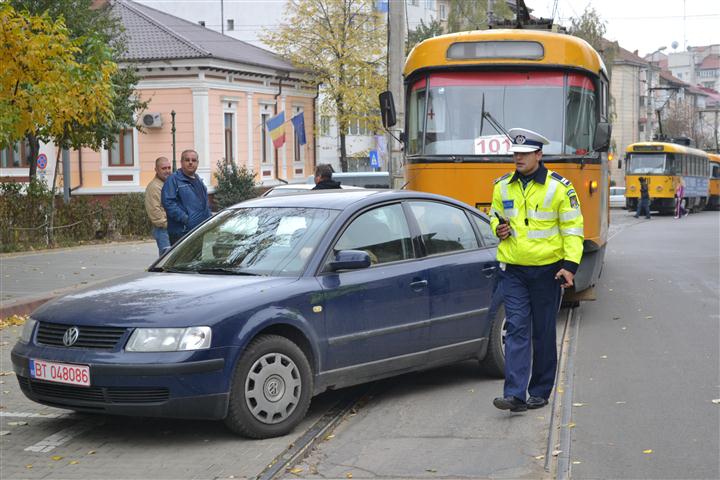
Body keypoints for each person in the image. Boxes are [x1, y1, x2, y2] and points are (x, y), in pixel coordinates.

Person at [489, 128, 584, 413]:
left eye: (524, 154)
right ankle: (515, 395)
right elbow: (493, 217)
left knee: (542, 332)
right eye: (515, 154)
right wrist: (499, 228)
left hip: (547, 272)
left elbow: (573, 229)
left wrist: (569, 266)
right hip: (514, 270)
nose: (518, 158)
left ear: (538, 155)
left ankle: (540, 390)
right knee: (517, 328)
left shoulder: (559, 187)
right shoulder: (502, 185)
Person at [161, 149, 212, 245]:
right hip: (182, 233)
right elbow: (168, 203)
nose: (190, 163)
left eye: (193, 160)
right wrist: (186, 219)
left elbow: (205, 204)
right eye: (187, 160)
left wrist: (209, 219)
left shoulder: (198, 180)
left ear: (197, 163)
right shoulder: (173, 180)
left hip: (198, 230)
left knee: (197, 259)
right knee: (182, 260)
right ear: (181, 162)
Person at [145, 156, 172, 255]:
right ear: (156, 170)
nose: (167, 171)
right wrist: (171, 225)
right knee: (167, 259)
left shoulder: (168, 183)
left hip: (172, 229)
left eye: (169, 168)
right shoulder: (154, 187)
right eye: (164, 168)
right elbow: (155, 213)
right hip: (164, 230)